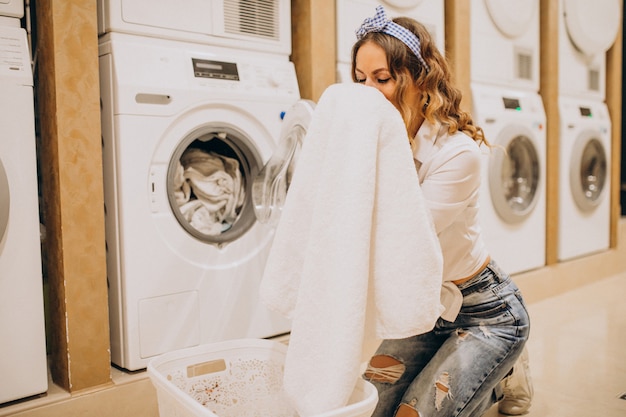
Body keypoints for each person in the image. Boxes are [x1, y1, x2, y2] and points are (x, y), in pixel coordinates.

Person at [351, 6, 532, 417]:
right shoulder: (378, 141)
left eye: (382, 79)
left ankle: (504, 375)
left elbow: (403, 238)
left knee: (413, 414)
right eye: (360, 80)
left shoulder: (457, 154)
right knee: (368, 410)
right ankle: (489, 372)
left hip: (486, 312)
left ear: (420, 77)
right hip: (426, 307)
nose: (367, 92)